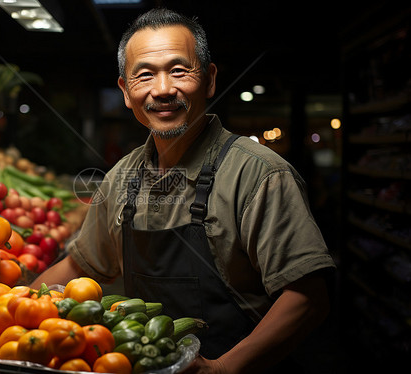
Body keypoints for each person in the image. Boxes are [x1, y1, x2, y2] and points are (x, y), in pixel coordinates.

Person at [31, 7, 337, 373]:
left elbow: (308, 298)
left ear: (208, 80)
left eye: (178, 70)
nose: (162, 90)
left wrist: (222, 369)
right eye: (144, 75)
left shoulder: (258, 174)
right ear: (126, 91)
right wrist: (13, 307)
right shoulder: (120, 178)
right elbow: (79, 264)